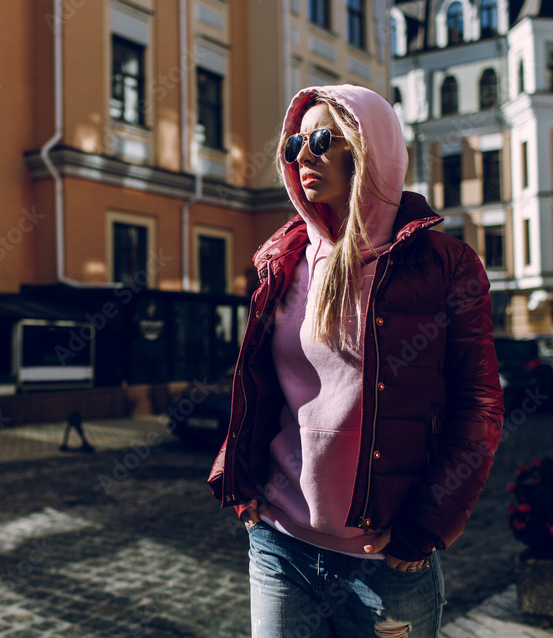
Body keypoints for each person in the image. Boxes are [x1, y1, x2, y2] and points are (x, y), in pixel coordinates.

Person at [208, 84, 504, 638]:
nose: (304, 155)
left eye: (323, 139)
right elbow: (261, 383)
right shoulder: (284, 257)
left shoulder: (445, 265)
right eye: (296, 143)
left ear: (371, 150)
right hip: (279, 543)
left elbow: (479, 407)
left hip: (386, 565)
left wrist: (427, 525)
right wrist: (239, 473)